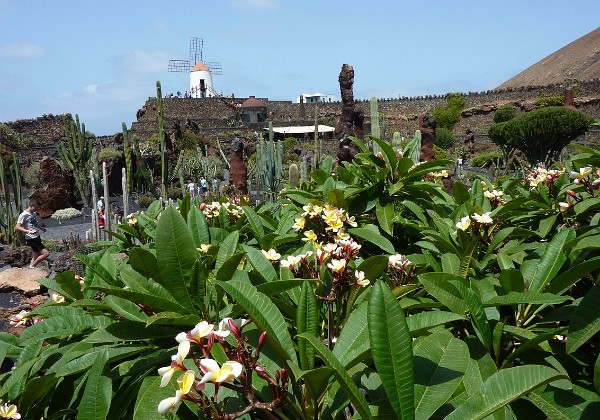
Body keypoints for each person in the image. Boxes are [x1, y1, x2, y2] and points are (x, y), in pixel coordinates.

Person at [15, 198, 50, 269]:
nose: (37, 209)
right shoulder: (24, 215)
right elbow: (17, 227)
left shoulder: (33, 213)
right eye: (36, 207)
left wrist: (41, 228)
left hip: (36, 236)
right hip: (31, 238)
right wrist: (28, 231)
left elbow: (35, 223)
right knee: (46, 253)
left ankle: (31, 268)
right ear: (31, 205)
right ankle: (32, 266)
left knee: (36, 254)